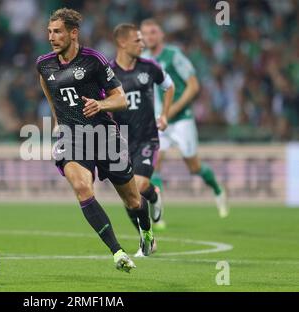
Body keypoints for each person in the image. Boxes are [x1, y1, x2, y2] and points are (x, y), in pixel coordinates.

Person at [36, 8, 155, 272]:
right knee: (82, 188)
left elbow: (121, 99)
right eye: (49, 32)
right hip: (73, 138)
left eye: (57, 32)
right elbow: (49, 92)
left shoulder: (94, 60)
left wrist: (100, 105)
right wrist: (58, 122)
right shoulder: (44, 64)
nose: (51, 37)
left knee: (133, 201)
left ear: (73, 33)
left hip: (103, 136)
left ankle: (146, 232)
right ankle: (117, 252)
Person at [140, 19, 229, 229]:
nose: (149, 37)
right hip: (158, 122)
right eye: (145, 33)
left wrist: (171, 110)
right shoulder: (142, 60)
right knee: (155, 163)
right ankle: (158, 214)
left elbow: (193, 86)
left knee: (194, 166)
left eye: (153, 32)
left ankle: (217, 188)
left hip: (181, 120)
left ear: (161, 35)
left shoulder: (174, 56)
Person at [110, 23, 174, 256]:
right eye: (137, 40)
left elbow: (169, 86)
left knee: (139, 186)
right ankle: (146, 238)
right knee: (129, 199)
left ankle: (153, 195)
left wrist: (165, 114)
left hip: (147, 137)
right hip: (120, 142)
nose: (142, 43)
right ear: (122, 43)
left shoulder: (150, 67)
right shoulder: (107, 72)